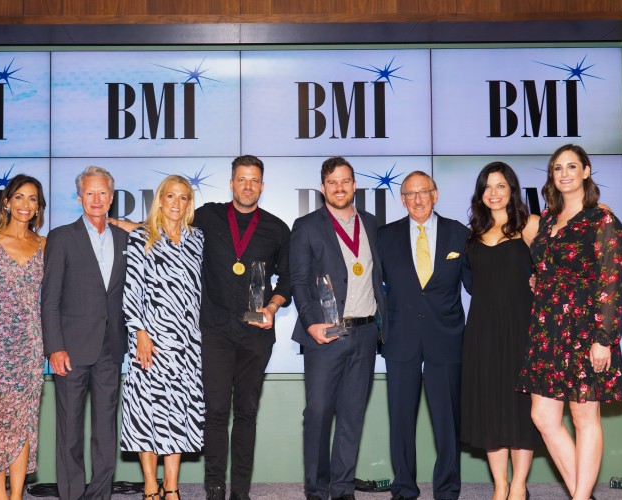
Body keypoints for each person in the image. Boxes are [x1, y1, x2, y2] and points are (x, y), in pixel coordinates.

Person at [517, 144, 622, 500]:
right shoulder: (547, 219)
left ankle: (580, 497)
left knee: (584, 419)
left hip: (584, 329)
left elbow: (611, 281)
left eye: (571, 166)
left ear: (586, 171)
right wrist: (541, 281)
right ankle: (583, 493)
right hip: (546, 327)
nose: (564, 173)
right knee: (544, 417)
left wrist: (604, 338)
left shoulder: (603, 220)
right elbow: (544, 267)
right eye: (557, 168)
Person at [290, 157, 386, 500]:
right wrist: (310, 322)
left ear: (355, 185)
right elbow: (299, 280)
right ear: (322, 188)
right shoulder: (306, 226)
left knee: (351, 415)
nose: (340, 188)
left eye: (345, 181)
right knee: (317, 412)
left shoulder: (373, 225)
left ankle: (343, 488)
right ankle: (316, 488)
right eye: (332, 182)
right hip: (324, 334)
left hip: (364, 334)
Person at [197, 155, 291, 500]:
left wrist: (272, 305)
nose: (247, 186)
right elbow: (167, 224)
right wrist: (114, 222)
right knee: (217, 411)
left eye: (254, 180)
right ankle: (215, 489)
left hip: (256, 335)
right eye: (241, 179)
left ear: (262, 186)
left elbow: (289, 278)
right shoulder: (207, 216)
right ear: (231, 183)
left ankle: (241, 492)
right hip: (216, 331)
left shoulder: (277, 228)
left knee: (247, 413)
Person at [377, 170, 470, 500]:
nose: (417, 199)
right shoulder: (384, 236)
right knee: (401, 420)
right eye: (409, 194)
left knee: (448, 422)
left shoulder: (459, 234)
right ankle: (403, 488)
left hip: (446, 338)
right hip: (400, 339)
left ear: (435, 194)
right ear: (402, 200)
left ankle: (447, 489)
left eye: (423, 192)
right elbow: (370, 286)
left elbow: (479, 283)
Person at [41, 166, 129, 500]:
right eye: (89, 193)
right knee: (70, 432)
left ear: (111, 197)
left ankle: (99, 495)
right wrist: (55, 347)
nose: (96, 199)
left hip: (111, 349)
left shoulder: (124, 238)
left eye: (102, 192)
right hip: (71, 350)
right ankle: (72, 495)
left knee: (106, 432)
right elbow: (50, 299)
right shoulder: (62, 237)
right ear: (79, 198)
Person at [120, 175, 204, 500]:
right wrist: (139, 331)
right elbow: (132, 291)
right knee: (147, 412)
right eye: (170, 196)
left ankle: (172, 488)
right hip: (149, 340)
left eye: (183, 198)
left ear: (188, 204)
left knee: (178, 412)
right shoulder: (142, 237)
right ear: (160, 199)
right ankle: (150, 487)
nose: (176, 203)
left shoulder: (197, 240)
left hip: (187, 344)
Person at [460, 163, 541, 500]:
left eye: (501, 186)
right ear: (480, 194)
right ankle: (500, 485)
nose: (494, 193)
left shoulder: (531, 226)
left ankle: (519, 485)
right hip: (482, 329)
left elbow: (563, 256)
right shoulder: (472, 234)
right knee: (490, 405)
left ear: (512, 190)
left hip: (522, 328)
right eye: (487, 187)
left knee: (521, 407)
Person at [0, 174, 47, 499]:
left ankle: (15, 496)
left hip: (30, 345)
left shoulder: (45, 245)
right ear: (6, 201)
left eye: (32, 199)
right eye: (19, 197)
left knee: (24, 422)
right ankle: (0, 495)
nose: (25, 205)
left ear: (39, 207)